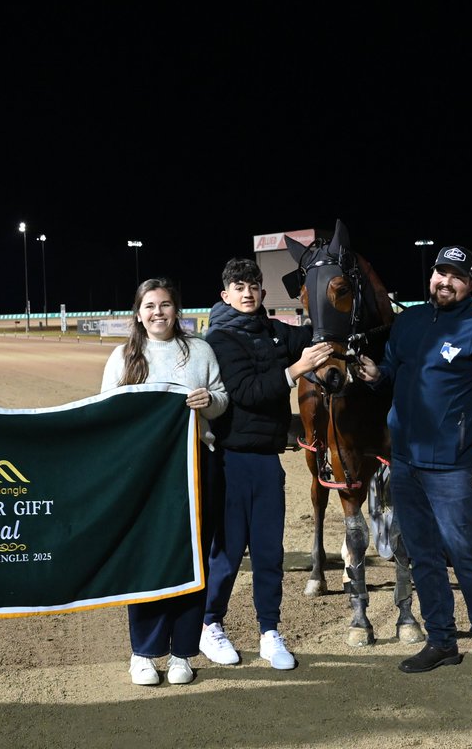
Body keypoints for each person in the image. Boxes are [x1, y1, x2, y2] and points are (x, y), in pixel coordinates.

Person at [355, 245, 472, 686]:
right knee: (424, 556)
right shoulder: (408, 322)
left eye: (455, 276)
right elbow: (394, 371)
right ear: (430, 277)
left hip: (458, 467)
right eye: (439, 273)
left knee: (467, 555)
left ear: (470, 285)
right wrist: (378, 375)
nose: (444, 282)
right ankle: (442, 641)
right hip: (407, 463)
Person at [200, 258, 332, 670]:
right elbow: (248, 392)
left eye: (254, 285)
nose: (247, 292)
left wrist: (330, 306)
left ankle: (269, 632)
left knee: (268, 552)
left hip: (267, 463)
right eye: (238, 286)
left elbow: (314, 333)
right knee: (227, 553)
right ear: (225, 295)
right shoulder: (219, 339)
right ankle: (210, 624)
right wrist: (296, 370)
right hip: (230, 461)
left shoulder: (274, 331)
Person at [100, 278, 229, 685]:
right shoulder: (123, 356)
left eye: (166, 305)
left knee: (192, 560)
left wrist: (210, 402)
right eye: (150, 306)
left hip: (195, 468)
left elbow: (222, 399)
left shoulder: (201, 350)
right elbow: (107, 412)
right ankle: (143, 653)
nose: (159, 312)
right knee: (147, 558)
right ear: (138, 313)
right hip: (145, 474)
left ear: (178, 310)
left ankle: (182, 654)